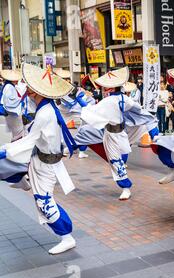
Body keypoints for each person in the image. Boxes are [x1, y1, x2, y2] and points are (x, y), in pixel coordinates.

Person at [0, 63, 78, 255]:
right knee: (40, 195)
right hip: (41, 159)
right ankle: (22, 179)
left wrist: (6, 151)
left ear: (37, 92)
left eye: (29, 88)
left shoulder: (45, 112)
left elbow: (30, 141)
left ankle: (67, 237)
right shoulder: (47, 108)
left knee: (44, 201)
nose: (26, 89)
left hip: (46, 163)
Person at [81, 67, 143, 201]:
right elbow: (139, 110)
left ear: (110, 88)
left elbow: (90, 111)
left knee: (119, 159)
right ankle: (126, 187)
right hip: (111, 134)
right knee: (116, 161)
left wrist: (81, 102)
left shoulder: (119, 100)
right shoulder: (117, 99)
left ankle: (125, 187)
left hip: (120, 134)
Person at [0, 69, 25, 142]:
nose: (17, 81)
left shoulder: (9, 86)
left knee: (16, 133)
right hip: (12, 113)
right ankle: (15, 146)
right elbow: (10, 102)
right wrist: (21, 100)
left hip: (11, 114)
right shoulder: (9, 87)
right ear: (12, 80)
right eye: (16, 79)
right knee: (18, 133)